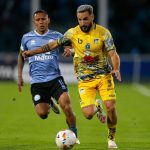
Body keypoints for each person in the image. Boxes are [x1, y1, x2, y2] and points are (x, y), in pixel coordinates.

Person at [22, 5, 121, 149]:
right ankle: (97, 106)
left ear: (92, 17)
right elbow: (52, 45)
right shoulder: (72, 33)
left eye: (85, 19)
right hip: (85, 80)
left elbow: (113, 53)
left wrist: (116, 68)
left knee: (111, 107)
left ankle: (111, 138)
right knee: (87, 114)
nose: (82, 22)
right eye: (80, 19)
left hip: (104, 76)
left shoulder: (103, 33)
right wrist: (31, 52)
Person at [17, 10, 79, 142]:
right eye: (38, 20)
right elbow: (21, 56)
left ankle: (74, 134)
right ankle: (49, 103)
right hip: (37, 83)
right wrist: (19, 76)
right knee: (42, 114)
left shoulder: (56, 35)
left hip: (55, 79)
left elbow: (69, 45)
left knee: (66, 106)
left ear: (48, 20)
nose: (41, 22)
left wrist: (69, 50)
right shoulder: (26, 37)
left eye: (43, 19)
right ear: (34, 22)